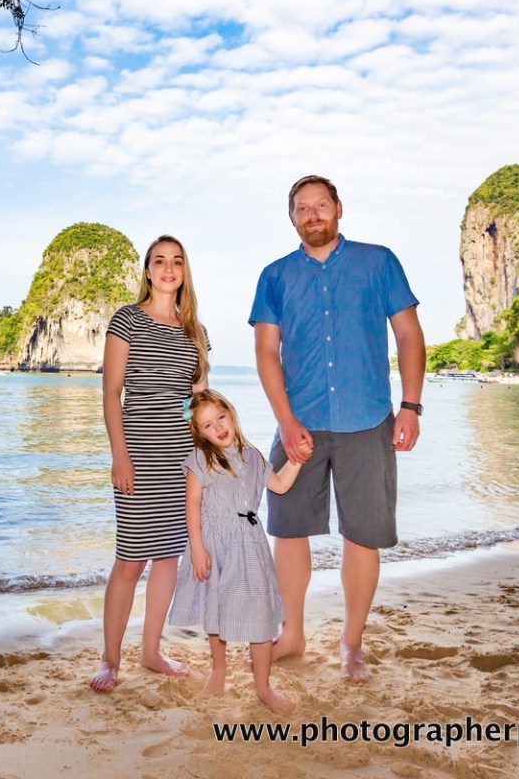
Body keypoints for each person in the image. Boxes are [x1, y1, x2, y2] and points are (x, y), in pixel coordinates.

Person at [251, 175, 424, 683]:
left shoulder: (379, 262)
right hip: (298, 421)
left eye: (320, 205)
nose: (312, 215)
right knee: (287, 530)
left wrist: (411, 406)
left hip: (368, 419)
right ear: (291, 218)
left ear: (338, 209)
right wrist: (285, 422)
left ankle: (352, 644)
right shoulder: (275, 276)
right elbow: (265, 354)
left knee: (362, 536)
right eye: (302, 209)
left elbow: (409, 335)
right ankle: (293, 632)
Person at [90, 235, 210, 693]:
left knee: (168, 556)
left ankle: (151, 650)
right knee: (129, 558)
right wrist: (119, 455)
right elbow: (111, 393)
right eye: (159, 261)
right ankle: (109, 658)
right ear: (146, 270)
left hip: (181, 453)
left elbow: (198, 399)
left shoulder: (194, 330)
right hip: (139, 451)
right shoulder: (127, 320)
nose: (168, 269)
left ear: (184, 271)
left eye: (177, 261)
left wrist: (214, 452)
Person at [169, 389, 303, 714]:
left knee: (259, 615)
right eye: (207, 426)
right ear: (199, 434)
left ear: (231, 412)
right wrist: (197, 549)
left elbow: (281, 485)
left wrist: (297, 459)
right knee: (217, 611)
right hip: (215, 546)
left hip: (251, 546)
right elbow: (192, 504)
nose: (218, 427)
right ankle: (218, 669)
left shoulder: (253, 455)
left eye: (220, 418)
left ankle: (263, 687)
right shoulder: (201, 459)